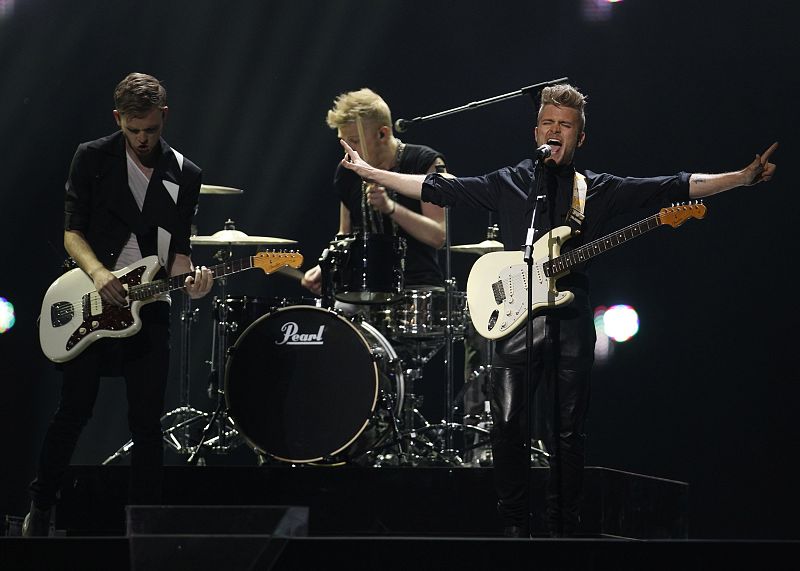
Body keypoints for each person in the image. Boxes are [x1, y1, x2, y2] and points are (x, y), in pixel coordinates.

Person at [334, 83, 778, 537]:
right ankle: (515, 528)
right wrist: (371, 172)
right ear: (536, 132)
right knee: (508, 425)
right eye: (548, 123)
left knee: (567, 431)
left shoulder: (595, 189)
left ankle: (564, 530)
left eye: (565, 125)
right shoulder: (509, 181)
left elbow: (673, 185)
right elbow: (437, 187)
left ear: (579, 137)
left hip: (571, 317)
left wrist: (739, 178)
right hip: (515, 318)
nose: (555, 130)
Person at [23, 73, 213, 536]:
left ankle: (143, 528)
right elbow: (72, 231)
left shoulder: (185, 174)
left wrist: (193, 284)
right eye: (133, 130)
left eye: (151, 129)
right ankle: (41, 507)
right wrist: (98, 273)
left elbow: (179, 253)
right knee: (74, 409)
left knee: (147, 421)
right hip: (91, 293)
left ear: (164, 116)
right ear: (117, 119)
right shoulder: (91, 157)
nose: (143, 139)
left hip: (149, 302)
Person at [301, 87, 447, 297]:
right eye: (343, 141)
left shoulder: (423, 162)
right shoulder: (347, 171)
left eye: (354, 141)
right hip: (362, 287)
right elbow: (345, 234)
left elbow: (438, 236)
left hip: (418, 288)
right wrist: (325, 266)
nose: (348, 150)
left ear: (383, 133)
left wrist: (390, 207)